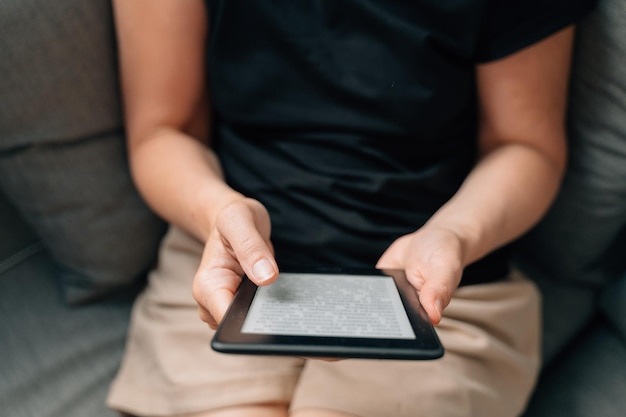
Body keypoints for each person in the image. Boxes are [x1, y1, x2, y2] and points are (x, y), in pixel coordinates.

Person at [107, 1, 596, 416]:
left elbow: (525, 144)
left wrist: (455, 233)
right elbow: (162, 131)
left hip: (438, 290)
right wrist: (218, 211)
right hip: (228, 270)